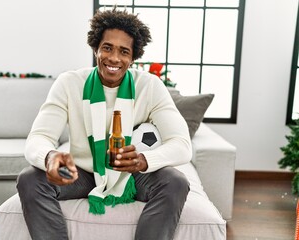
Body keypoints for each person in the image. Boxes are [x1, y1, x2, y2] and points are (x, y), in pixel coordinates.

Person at [17, 7, 192, 240]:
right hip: (83, 173)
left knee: (176, 182)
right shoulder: (69, 83)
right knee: (29, 179)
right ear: (95, 49)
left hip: (131, 174)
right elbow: (38, 137)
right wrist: (49, 156)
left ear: (133, 56)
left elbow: (182, 144)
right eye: (107, 48)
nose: (114, 58)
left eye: (124, 51)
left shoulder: (149, 86)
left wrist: (143, 160)